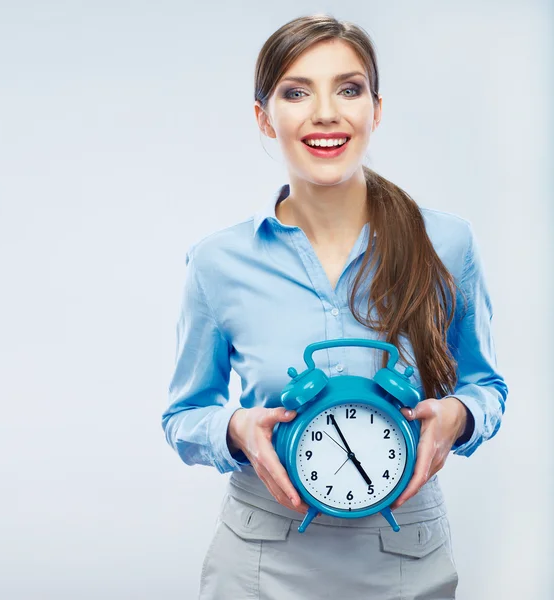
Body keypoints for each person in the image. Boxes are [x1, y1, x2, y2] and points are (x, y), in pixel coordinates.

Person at [161, 13, 508, 600]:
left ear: (376, 109)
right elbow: (183, 416)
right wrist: (236, 428)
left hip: (404, 554)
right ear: (264, 118)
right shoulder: (218, 262)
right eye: (296, 92)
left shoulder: (446, 244)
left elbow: (485, 386)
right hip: (261, 560)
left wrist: (459, 417)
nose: (325, 112)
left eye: (348, 89)